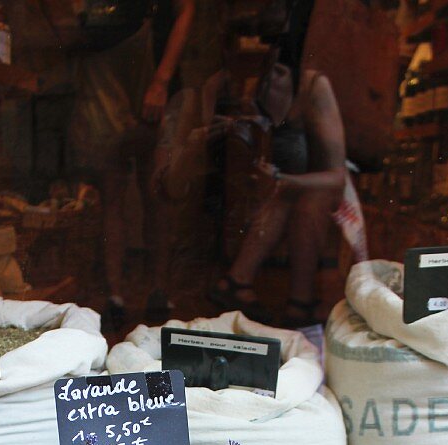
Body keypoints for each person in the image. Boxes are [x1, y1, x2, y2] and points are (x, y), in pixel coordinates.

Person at [210, 11, 346, 327]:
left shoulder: (313, 86)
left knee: (305, 202)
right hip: (292, 182)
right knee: (284, 195)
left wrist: (283, 178)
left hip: (329, 183)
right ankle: (240, 281)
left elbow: (337, 176)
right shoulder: (263, 83)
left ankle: (296, 301)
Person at [68, 0, 195, 329]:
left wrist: (161, 80)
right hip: (104, 72)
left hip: (150, 72)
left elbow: (185, 10)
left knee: (157, 191)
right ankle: (115, 296)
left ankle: (158, 290)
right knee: (111, 193)